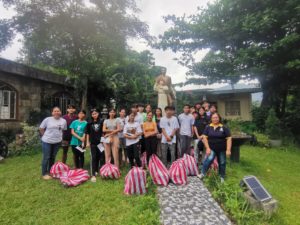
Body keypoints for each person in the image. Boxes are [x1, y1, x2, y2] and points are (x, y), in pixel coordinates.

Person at [198, 113, 232, 183]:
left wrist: (228, 150)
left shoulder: (224, 127)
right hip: (212, 148)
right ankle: (202, 173)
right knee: (209, 159)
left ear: (219, 118)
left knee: (222, 162)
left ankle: (221, 177)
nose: (215, 119)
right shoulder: (208, 127)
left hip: (222, 148)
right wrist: (207, 148)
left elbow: (229, 138)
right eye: (213, 118)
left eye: (216, 117)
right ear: (211, 119)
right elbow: (204, 137)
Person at [39, 107, 67, 180]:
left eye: (58, 111)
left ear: (60, 112)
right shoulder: (47, 119)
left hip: (57, 142)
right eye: (55, 111)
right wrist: (44, 135)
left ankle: (50, 171)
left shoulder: (63, 121)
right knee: (46, 157)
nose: (56, 112)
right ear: (52, 113)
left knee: (52, 157)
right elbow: (41, 128)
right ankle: (44, 173)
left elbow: (63, 130)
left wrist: (61, 139)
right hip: (47, 141)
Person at [86, 109, 104, 182]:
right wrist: (87, 142)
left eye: (95, 113)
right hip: (93, 143)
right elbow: (87, 133)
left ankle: (100, 171)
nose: (94, 115)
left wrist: (103, 140)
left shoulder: (102, 121)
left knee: (101, 156)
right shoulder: (89, 123)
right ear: (91, 115)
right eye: (93, 114)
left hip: (101, 143)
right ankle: (93, 174)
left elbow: (103, 132)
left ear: (98, 114)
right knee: (94, 157)